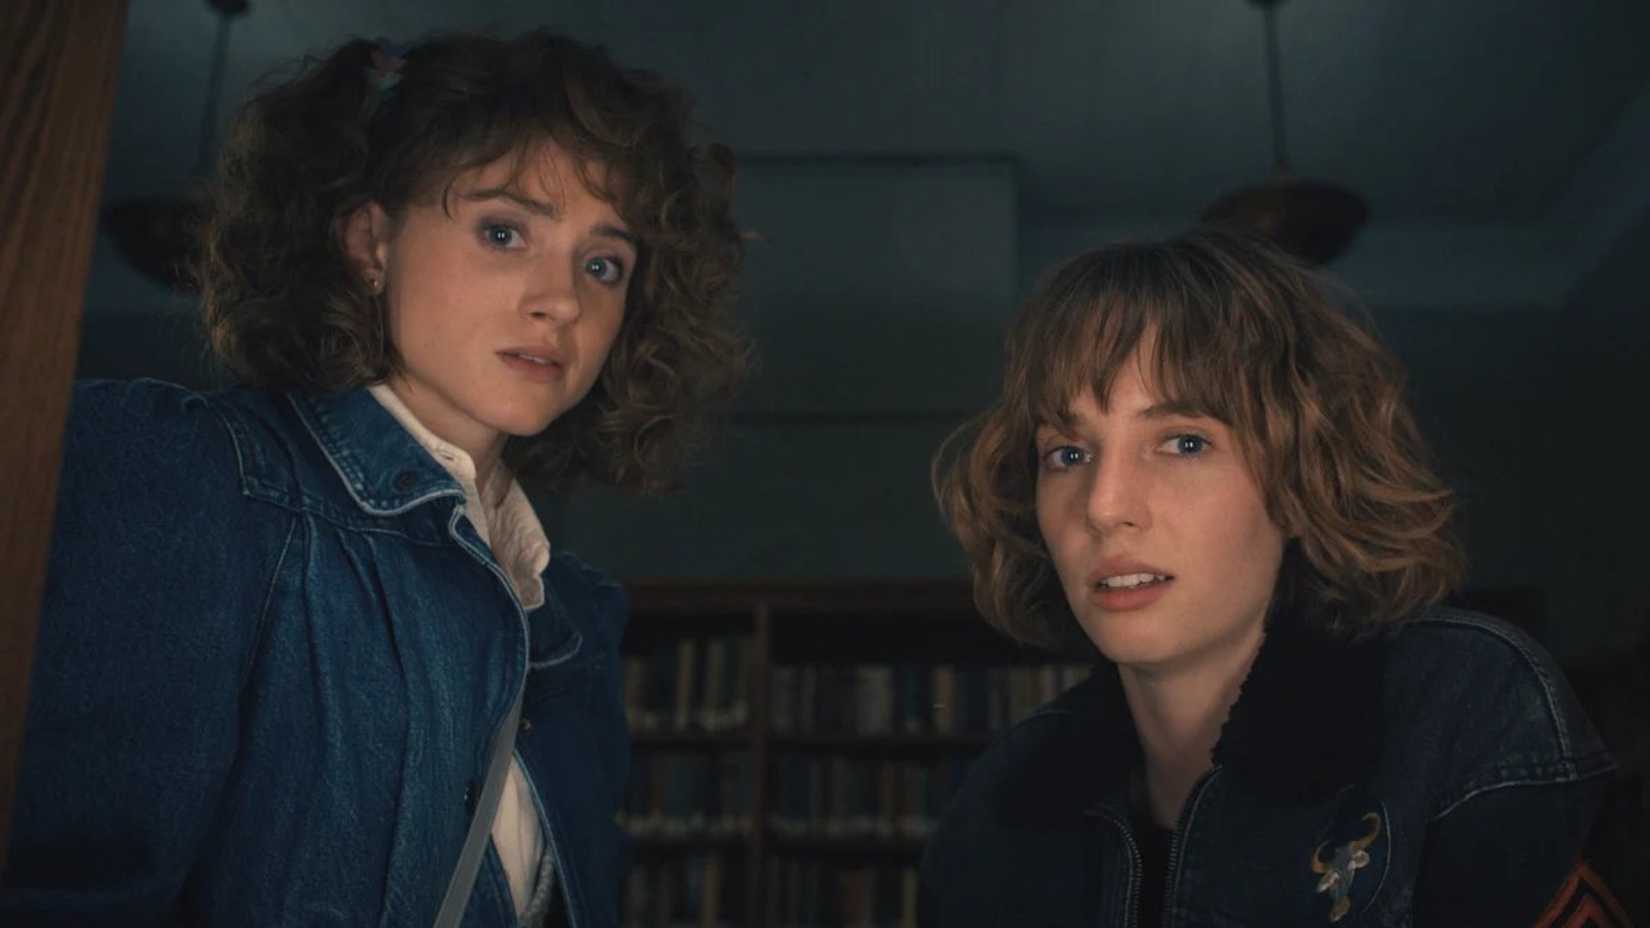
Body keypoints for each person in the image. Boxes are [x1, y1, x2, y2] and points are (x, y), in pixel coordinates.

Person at [2, 29, 745, 927]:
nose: (562, 300)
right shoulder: (196, 478)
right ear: (371, 241)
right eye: (504, 231)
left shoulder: (574, 613)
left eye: (602, 264)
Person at [920, 229, 1615, 926]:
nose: (1103, 507)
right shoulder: (996, 807)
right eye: (1068, 454)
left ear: (1302, 475)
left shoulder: (1464, 707)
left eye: (1184, 443)